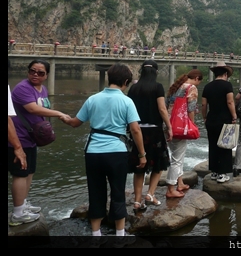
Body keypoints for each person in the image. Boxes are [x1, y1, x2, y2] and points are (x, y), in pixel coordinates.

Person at [61, 63, 146, 244]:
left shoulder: (93, 99)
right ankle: (120, 235)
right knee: (117, 191)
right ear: (125, 81)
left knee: (96, 191)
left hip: (93, 152)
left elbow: (76, 122)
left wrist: (65, 119)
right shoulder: (126, 101)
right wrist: (142, 154)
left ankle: (96, 235)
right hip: (116, 153)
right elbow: (135, 130)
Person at [9, 59, 69, 227]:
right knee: (20, 173)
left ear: (46, 75)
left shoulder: (42, 89)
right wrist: (59, 114)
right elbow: (33, 109)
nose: (35, 75)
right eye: (32, 71)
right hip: (19, 137)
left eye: (40, 73)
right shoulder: (22, 88)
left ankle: (23, 203)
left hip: (31, 138)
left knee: (29, 172)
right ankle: (18, 212)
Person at [127, 60, 172, 209]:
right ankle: (150, 194)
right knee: (158, 164)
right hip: (154, 131)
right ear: (155, 72)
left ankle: (137, 201)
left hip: (137, 131)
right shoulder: (157, 87)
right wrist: (169, 126)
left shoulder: (133, 88)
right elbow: (162, 109)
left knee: (139, 165)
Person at [166, 69, 203, 196]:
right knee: (177, 159)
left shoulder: (174, 87)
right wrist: (191, 125)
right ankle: (171, 188)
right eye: (199, 81)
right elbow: (191, 109)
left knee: (177, 156)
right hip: (181, 126)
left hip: (168, 125)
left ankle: (180, 183)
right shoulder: (191, 87)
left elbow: (166, 106)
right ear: (197, 78)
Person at [201, 61, 237, 183]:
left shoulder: (207, 86)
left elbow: (204, 104)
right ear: (226, 74)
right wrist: (234, 116)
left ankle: (214, 172)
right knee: (225, 145)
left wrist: (205, 117)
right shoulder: (227, 86)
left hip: (211, 119)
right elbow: (230, 102)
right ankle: (223, 173)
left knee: (213, 145)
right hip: (224, 119)